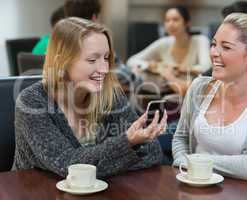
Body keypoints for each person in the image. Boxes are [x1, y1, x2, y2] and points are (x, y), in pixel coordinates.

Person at [14, 17, 167, 179]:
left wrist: (110, 159)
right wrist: (127, 144)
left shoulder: (110, 95)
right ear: (61, 62)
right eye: (92, 60)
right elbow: (68, 166)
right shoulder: (32, 102)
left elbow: (153, 153)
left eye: (106, 58)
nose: (104, 69)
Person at [172, 13, 247, 182]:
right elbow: (180, 138)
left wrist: (194, 162)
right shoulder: (199, 87)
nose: (214, 53)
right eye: (213, 44)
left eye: (226, 47)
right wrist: (187, 164)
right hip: (194, 189)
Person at [126, 5, 211, 96]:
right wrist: (148, 65)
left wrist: (183, 69)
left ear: (187, 23)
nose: (170, 24)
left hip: (193, 92)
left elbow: (207, 67)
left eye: (175, 20)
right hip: (165, 91)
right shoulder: (163, 43)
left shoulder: (200, 40)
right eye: (167, 20)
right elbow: (131, 61)